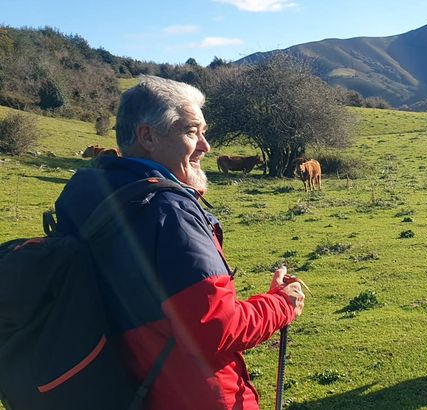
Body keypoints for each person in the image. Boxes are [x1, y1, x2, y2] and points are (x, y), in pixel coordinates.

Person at [52, 76, 305, 410]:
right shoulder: (168, 211)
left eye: (203, 131)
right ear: (148, 136)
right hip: (192, 395)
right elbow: (216, 327)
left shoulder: (90, 195)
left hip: (120, 389)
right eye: (191, 132)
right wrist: (281, 305)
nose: (206, 146)